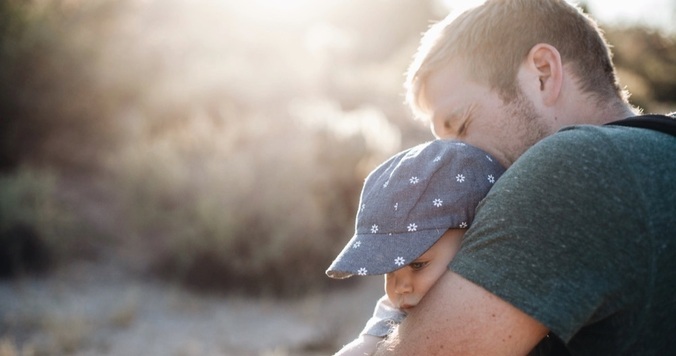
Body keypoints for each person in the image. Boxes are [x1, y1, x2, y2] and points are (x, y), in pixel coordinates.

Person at [371, 0, 676, 355]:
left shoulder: (571, 169)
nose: (452, 162)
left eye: (462, 125)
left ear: (543, 73)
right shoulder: (658, 150)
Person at [326, 139, 505, 355]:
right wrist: (366, 344)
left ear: (474, 239)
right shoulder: (403, 310)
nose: (400, 287)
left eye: (418, 265)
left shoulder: (504, 300)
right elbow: (371, 339)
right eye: (390, 271)